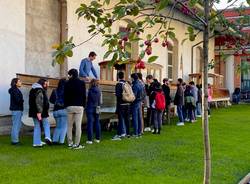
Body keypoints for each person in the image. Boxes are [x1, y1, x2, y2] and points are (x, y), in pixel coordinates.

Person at [64, 69, 86, 149]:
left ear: (71, 75)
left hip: (69, 106)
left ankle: (70, 143)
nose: (68, 76)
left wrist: (66, 105)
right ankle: (77, 144)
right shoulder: (82, 83)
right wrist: (84, 105)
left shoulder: (67, 83)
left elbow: (65, 95)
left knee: (69, 126)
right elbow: (84, 95)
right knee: (78, 126)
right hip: (79, 106)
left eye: (69, 74)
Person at [29, 78, 52, 147]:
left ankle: (36, 142)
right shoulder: (40, 90)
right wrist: (39, 112)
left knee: (37, 126)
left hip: (33, 111)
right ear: (42, 83)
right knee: (46, 124)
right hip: (41, 111)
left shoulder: (32, 89)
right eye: (45, 84)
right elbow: (39, 101)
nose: (46, 85)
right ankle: (48, 137)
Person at [112, 71, 132, 140]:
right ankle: (128, 133)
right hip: (128, 103)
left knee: (121, 119)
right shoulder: (127, 83)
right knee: (127, 119)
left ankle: (120, 134)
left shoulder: (118, 84)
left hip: (121, 104)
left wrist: (115, 94)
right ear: (124, 76)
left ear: (118, 77)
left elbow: (118, 95)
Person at [49, 78, 67, 145]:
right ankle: (61, 141)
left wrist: (56, 102)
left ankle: (55, 140)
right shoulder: (67, 91)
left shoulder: (55, 90)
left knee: (58, 126)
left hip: (55, 111)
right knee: (64, 127)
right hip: (63, 110)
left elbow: (51, 100)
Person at [8, 78, 24, 145]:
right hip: (16, 110)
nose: (21, 82)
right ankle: (15, 141)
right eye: (19, 81)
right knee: (16, 125)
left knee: (17, 125)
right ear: (15, 83)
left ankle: (15, 140)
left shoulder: (15, 90)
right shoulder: (15, 90)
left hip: (17, 110)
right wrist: (22, 100)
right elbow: (18, 100)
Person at [86, 79, 101, 144]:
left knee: (90, 123)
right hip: (97, 107)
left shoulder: (88, 90)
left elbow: (86, 99)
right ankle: (97, 138)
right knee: (97, 122)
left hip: (90, 107)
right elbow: (100, 101)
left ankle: (90, 140)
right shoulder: (99, 91)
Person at [131, 73, 144, 137]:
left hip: (135, 102)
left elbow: (134, 96)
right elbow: (143, 93)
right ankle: (139, 132)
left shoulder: (135, 85)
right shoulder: (141, 84)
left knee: (135, 118)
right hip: (140, 102)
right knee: (139, 118)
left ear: (133, 78)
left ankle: (135, 133)